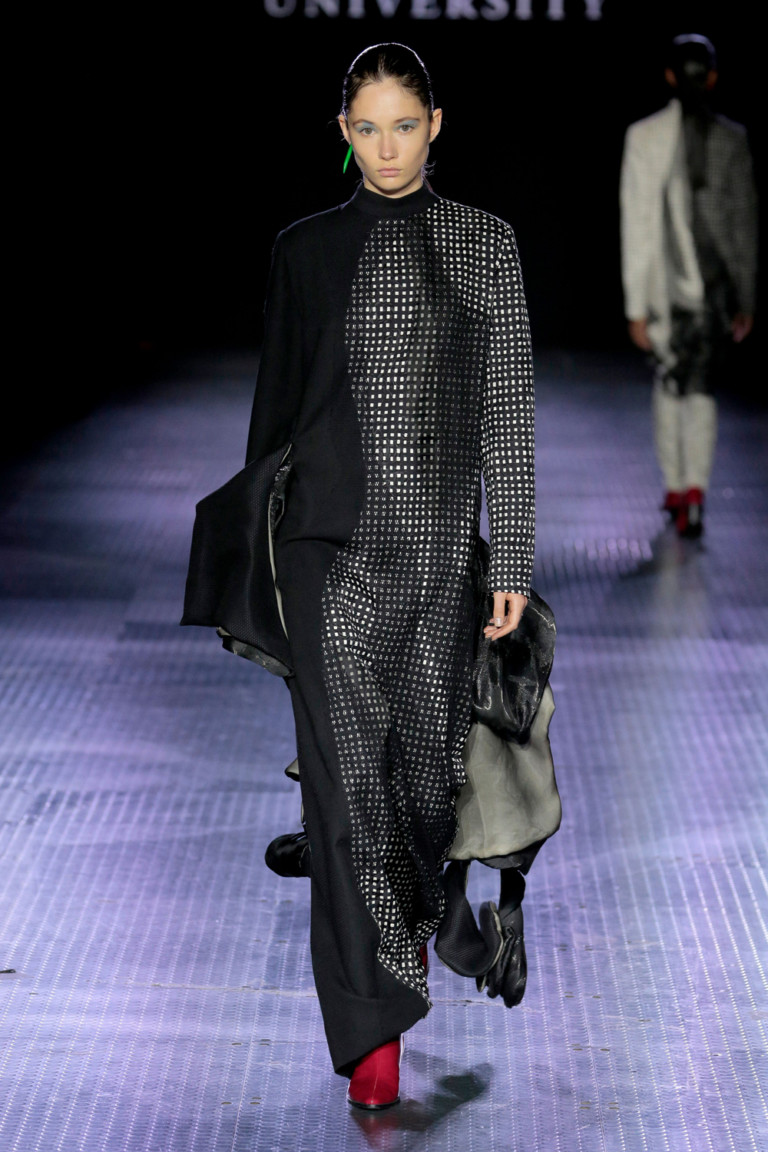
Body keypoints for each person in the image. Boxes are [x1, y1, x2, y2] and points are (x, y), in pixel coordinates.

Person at [246, 43, 535, 1109]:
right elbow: (273, 422)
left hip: (437, 557)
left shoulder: (484, 244)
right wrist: (257, 570)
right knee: (345, 793)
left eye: (403, 125)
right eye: (366, 129)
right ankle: (373, 1038)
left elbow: (508, 409)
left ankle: (445, 915)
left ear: (436, 125)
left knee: (419, 786)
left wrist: (513, 552)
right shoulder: (304, 252)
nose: (386, 148)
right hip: (325, 556)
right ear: (343, 134)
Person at [619, 33, 758, 537]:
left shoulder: (644, 136)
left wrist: (636, 304)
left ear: (669, 76)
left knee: (671, 382)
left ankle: (678, 486)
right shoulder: (732, 139)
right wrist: (745, 297)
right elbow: (743, 225)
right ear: (713, 77)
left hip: (664, 291)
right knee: (700, 388)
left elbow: (637, 223)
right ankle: (694, 489)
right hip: (714, 291)